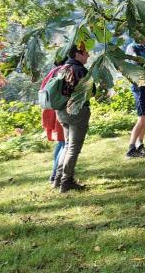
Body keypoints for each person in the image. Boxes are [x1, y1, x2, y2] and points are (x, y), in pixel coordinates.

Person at [53, 43, 92, 193]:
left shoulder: (61, 69)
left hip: (61, 112)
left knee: (67, 145)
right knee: (73, 148)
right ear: (77, 54)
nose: (88, 55)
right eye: (85, 53)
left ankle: (57, 179)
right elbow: (91, 91)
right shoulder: (79, 70)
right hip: (77, 112)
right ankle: (66, 182)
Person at [125, 34, 145, 158]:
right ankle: (131, 149)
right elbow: (135, 61)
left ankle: (140, 145)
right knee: (142, 116)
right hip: (140, 85)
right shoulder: (132, 47)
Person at [41, 59, 66, 185]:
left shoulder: (52, 72)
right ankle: (55, 175)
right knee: (65, 144)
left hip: (50, 111)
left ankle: (54, 174)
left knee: (61, 143)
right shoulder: (63, 72)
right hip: (59, 111)